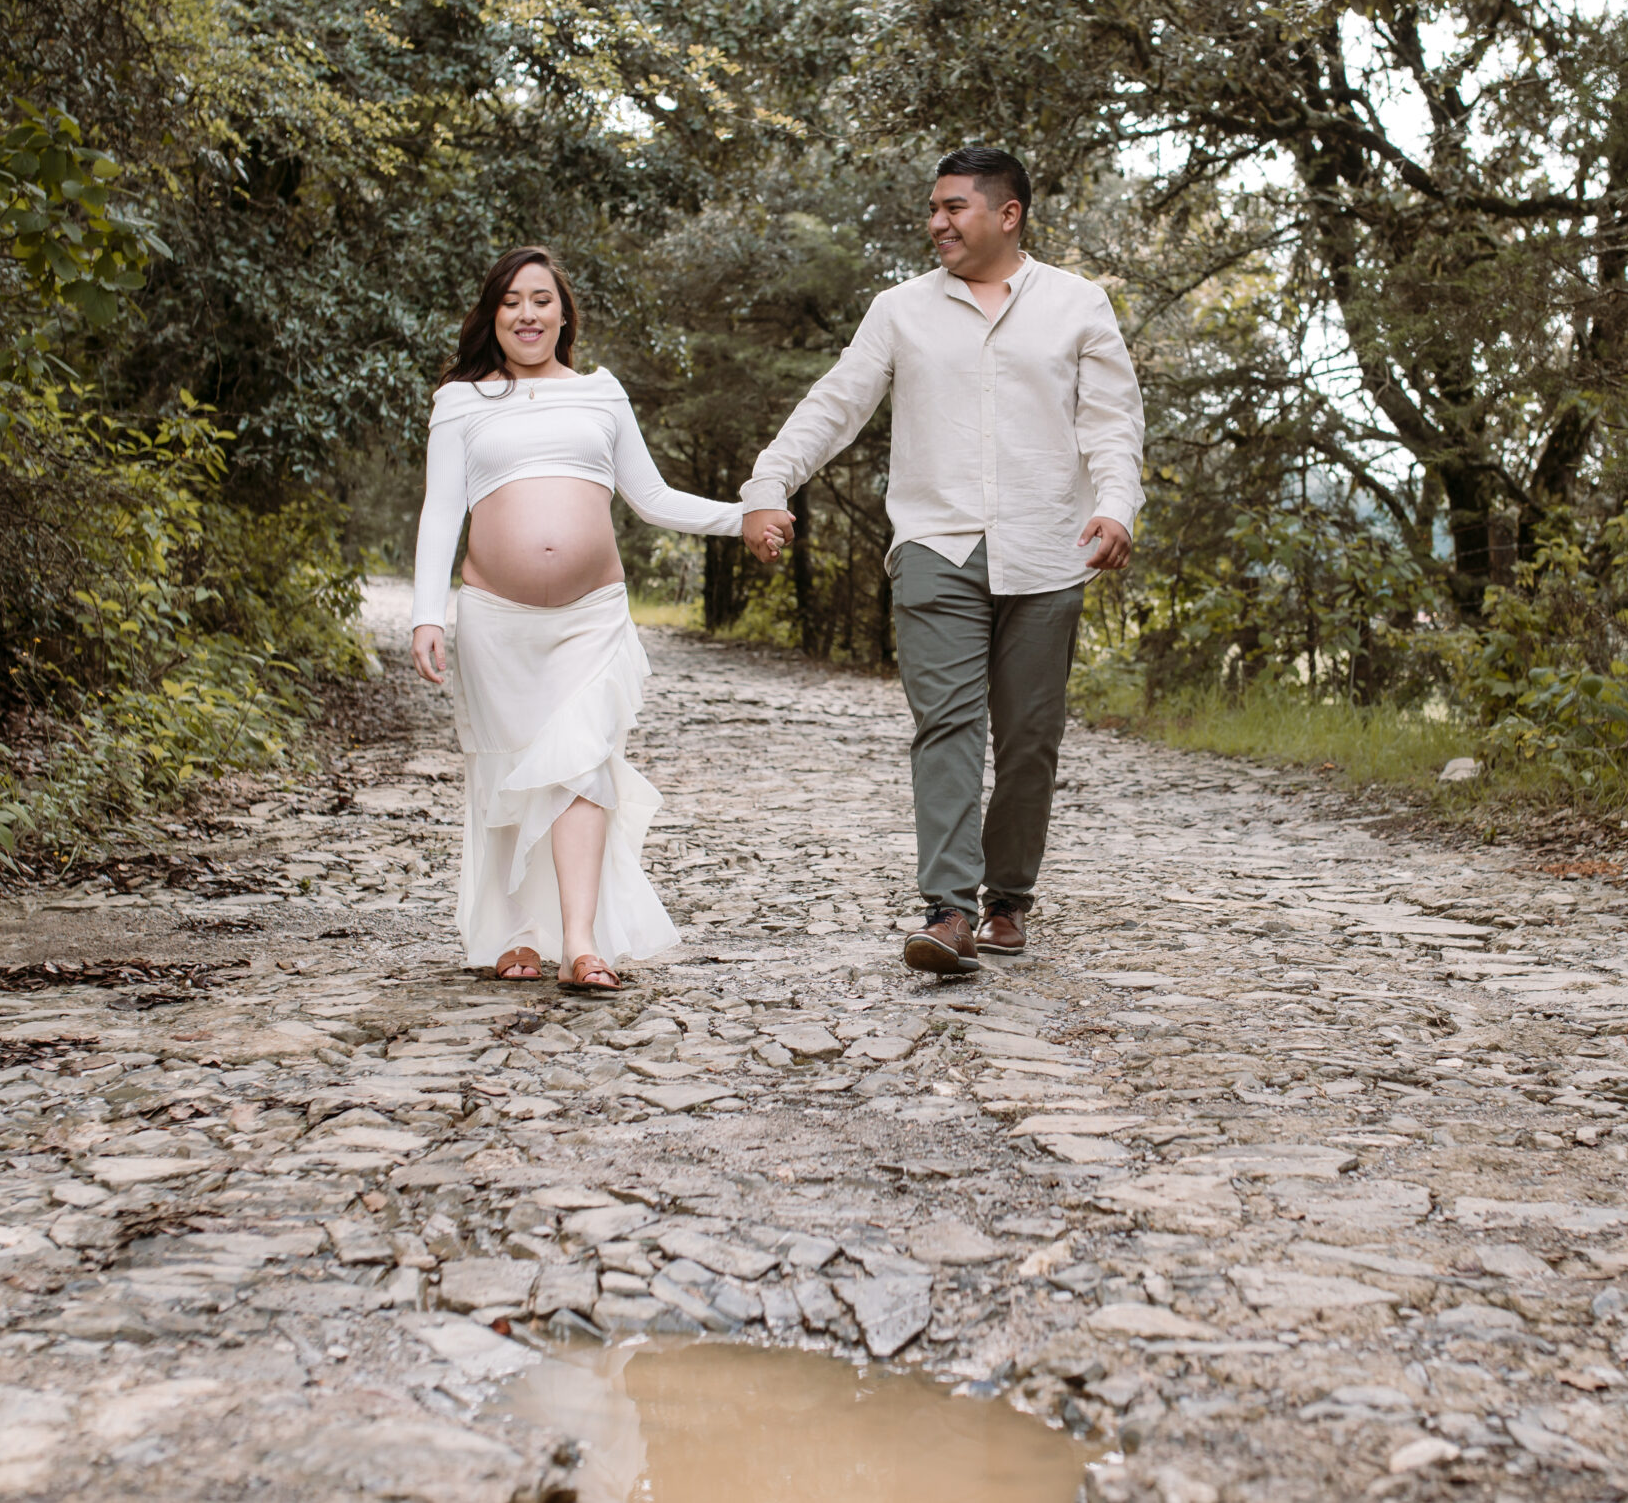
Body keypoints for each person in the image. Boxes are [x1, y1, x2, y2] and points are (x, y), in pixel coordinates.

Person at [740, 147, 1145, 975]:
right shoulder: (899, 310)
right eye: (934, 207)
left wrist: (1116, 504)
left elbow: (1112, 420)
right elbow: (836, 404)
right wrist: (768, 482)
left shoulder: (1077, 304)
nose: (937, 222)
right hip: (936, 545)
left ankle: (1008, 899)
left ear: (1008, 213)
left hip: (1049, 547)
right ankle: (949, 912)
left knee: (1030, 738)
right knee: (949, 725)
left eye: (954, 207)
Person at [410, 246, 746, 991]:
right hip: (497, 620)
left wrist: (742, 516)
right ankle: (516, 936)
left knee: (584, 762)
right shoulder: (461, 401)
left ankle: (581, 942)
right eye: (510, 302)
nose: (526, 314)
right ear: (492, 316)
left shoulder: (601, 393)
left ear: (564, 314)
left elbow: (652, 499)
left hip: (591, 619)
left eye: (541, 300)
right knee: (507, 768)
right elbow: (441, 511)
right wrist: (425, 613)